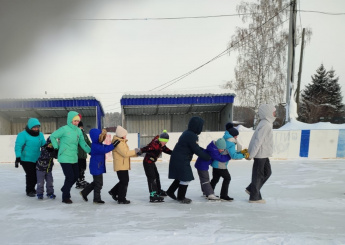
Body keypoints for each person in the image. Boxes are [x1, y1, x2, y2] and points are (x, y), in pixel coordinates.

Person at [166, 116, 211, 204]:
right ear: (197, 126)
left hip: (179, 158)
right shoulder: (191, 136)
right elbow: (196, 150)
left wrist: (204, 151)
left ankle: (170, 191)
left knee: (181, 177)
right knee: (186, 177)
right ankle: (181, 197)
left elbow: (195, 147)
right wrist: (207, 156)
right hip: (181, 159)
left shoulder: (187, 133)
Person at [50, 111, 91, 204]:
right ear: (70, 120)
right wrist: (56, 148)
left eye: (78, 121)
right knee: (70, 177)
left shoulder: (78, 131)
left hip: (73, 157)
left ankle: (65, 188)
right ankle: (65, 197)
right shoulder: (64, 129)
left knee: (76, 176)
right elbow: (53, 136)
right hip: (64, 157)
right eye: (75, 121)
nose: (76, 123)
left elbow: (82, 143)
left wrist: (90, 151)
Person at [246, 104, 276, 204]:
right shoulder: (265, 125)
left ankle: (251, 189)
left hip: (264, 153)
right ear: (267, 113)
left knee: (267, 172)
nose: (275, 114)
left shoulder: (266, 123)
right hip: (260, 154)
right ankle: (254, 197)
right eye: (273, 112)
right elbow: (257, 140)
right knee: (258, 175)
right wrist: (251, 154)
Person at [80, 129, 120, 204]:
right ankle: (96, 199)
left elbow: (105, 146)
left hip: (97, 166)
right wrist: (113, 145)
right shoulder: (95, 146)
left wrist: (112, 144)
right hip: (96, 167)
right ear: (96, 137)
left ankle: (84, 192)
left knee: (96, 182)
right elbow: (104, 150)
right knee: (99, 183)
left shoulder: (98, 144)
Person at [211, 126, 248, 201]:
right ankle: (223, 195)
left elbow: (231, 152)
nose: (237, 137)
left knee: (215, 179)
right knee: (227, 178)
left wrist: (241, 152)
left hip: (215, 163)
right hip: (221, 165)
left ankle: (208, 192)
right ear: (233, 135)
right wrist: (244, 155)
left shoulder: (225, 139)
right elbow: (233, 155)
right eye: (236, 135)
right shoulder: (231, 143)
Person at [109, 126, 140, 204]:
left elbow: (126, 153)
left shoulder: (121, 141)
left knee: (124, 181)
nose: (126, 136)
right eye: (125, 134)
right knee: (124, 181)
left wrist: (136, 154)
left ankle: (114, 192)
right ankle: (121, 199)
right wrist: (135, 151)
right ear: (121, 134)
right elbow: (125, 153)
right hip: (120, 165)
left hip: (123, 164)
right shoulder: (119, 143)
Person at [14, 118, 46, 197]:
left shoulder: (40, 135)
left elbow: (44, 145)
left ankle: (32, 188)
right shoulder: (22, 134)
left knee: (37, 175)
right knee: (31, 175)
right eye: (34, 127)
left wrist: (49, 149)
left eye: (37, 127)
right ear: (30, 127)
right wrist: (18, 156)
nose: (36, 129)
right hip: (26, 159)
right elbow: (18, 146)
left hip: (37, 158)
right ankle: (29, 190)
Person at [140, 130, 172, 203]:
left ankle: (158, 191)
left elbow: (166, 150)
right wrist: (140, 150)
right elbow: (147, 148)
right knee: (152, 178)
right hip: (147, 162)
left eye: (166, 142)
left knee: (156, 176)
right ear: (161, 140)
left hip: (152, 162)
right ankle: (153, 195)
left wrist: (174, 153)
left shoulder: (161, 145)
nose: (165, 143)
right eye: (164, 142)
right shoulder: (155, 145)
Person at [75, 121, 91, 189]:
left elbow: (88, 143)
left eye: (81, 127)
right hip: (78, 155)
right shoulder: (76, 134)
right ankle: (79, 181)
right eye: (79, 127)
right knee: (79, 169)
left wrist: (92, 149)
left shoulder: (84, 135)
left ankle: (82, 179)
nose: (81, 128)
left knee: (83, 168)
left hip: (83, 155)